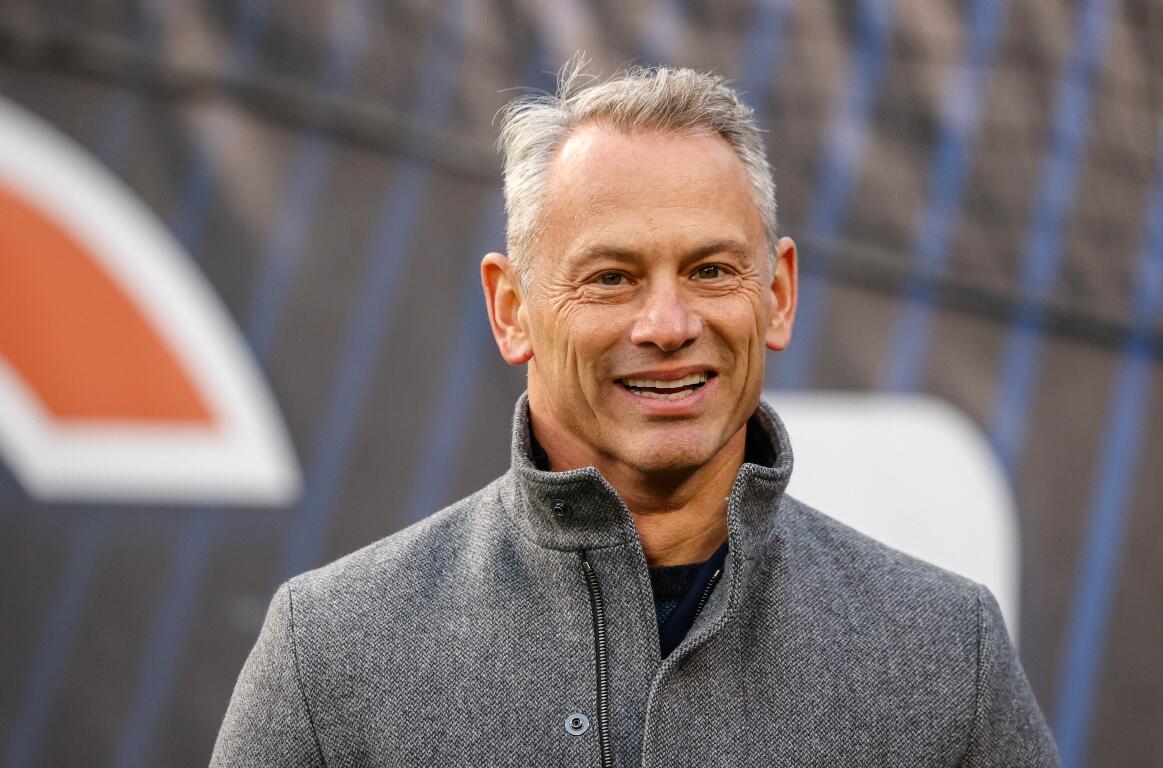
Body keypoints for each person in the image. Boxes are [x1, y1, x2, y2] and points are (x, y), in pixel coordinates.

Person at [211, 61, 1060, 767]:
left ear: (779, 293)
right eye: (611, 277)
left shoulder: (948, 654)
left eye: (712, 271)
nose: (667, 326)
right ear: (512, 310)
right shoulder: (330, 655)